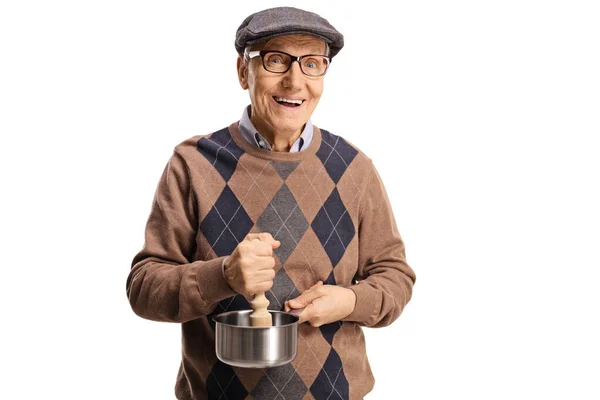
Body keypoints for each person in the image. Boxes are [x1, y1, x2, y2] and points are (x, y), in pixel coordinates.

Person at [127, 6, 416, 400]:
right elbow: (144, 288)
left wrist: (350, 300)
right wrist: (223, 275)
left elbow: (395, 277)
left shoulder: (354, 169)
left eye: (312, 64)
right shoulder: (193, 163)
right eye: (276, 60)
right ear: (243, 71)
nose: (294, 82)